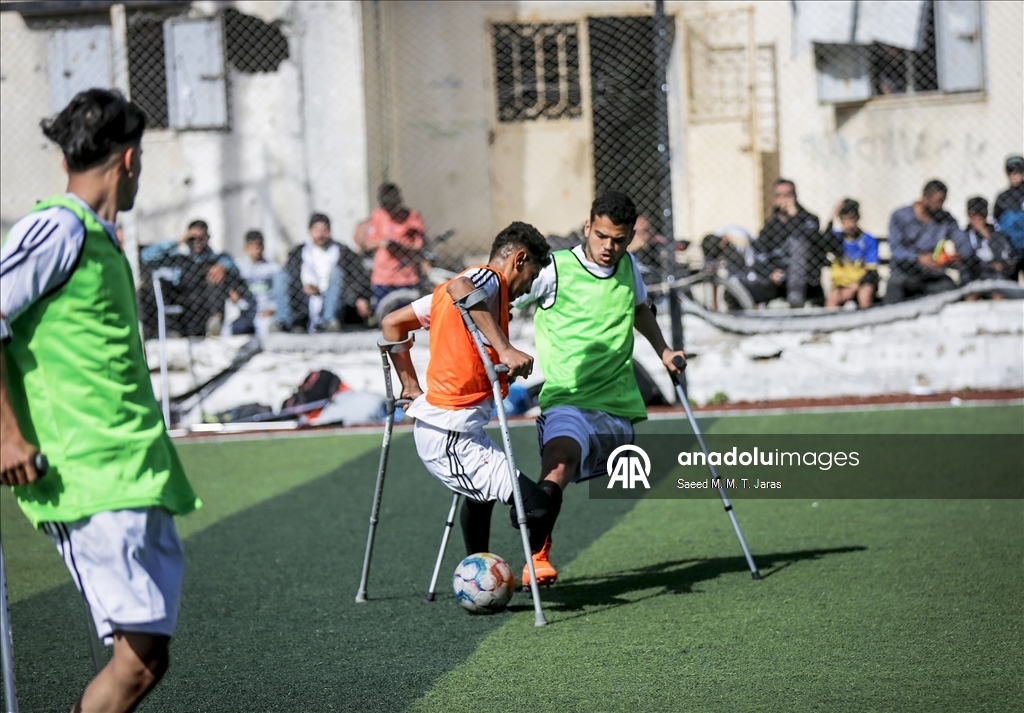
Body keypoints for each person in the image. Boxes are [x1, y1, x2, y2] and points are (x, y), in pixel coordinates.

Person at [0, 89, 200, 713]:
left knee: (147, 656)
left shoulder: (98, 235)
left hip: (131, 469)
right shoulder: (55, 227)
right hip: (83, 473)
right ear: (132, 160)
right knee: (138, 660)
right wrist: (7, 436)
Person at [512, 191, 686, 586]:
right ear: (588, 227)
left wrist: (664, 351)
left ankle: (536, 531)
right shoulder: (554, 268)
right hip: (566, 398)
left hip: (616, 404)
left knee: (571, 464)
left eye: (620, 240)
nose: (610, 247)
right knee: (560, 458)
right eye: (603, 236)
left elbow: (640, 308)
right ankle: (536, 555)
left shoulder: (630, 268)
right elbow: (505, 300)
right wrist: (502, 350)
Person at [380, 222, 557, 559]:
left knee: (481, 497)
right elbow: (463, 285)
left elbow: (392, 323)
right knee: (538, 509)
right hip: (449, 436)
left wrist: (410, 384)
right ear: (519, 260)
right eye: (532, 276)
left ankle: (478, 566)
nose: (526, 289)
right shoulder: (489, 278)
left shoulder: (443, 293)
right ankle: (494, 573)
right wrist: (504, 349)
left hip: (461, 430)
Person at [140, 219, 243, 337]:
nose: (196, 242)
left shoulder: (219, 259)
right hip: (185, 306)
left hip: (208, 306)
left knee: (216, 276)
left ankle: (215, 321)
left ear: (208, 237)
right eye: (192, 238)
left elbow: (235, 269)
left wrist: (223, 267)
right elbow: (147, 257)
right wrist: (179, 240)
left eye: (201, 238)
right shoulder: (179, 259)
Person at [276, 213, 368, 333]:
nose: (320, 235)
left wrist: (359, 297)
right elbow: (291, 275)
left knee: (336, 272)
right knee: (281, 276)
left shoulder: (343, 252)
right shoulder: (298, 253)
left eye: (324, 230)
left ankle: (329, 321)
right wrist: (304, 287)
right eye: (317, 230)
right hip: (304, 300)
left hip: (336, 299)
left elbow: (359, 277)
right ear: (310, 231)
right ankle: (283, 322)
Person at [884, 180, 972, 304]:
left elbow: (964, 244)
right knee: (894, 290)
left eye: (942, 202)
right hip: (904, 274)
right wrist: (918, 258)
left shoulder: (945, 219)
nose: (940, 206)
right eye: (937, 201)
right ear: (925, 198)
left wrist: (959, 256)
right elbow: (896, 249)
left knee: (951, 291)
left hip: (932, 275)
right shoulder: (900, 216)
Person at [746, 179, 824, 307]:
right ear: (774, 200)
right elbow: (760, 254)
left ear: (795, 197)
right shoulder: (770, 227)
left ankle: (795, 297)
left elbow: (815, 242)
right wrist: (771, 272)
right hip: (778, 283)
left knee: (800, 244)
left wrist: (795, 217)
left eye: (788, 195)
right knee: (739, 289)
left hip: (806, 283)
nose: (784, 200)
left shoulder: (809, 220)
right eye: (779, 196)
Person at [354, 183, 427, 311]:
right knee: (384, 317)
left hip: (406, 275)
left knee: (408, 316)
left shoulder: (412, 217)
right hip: (383, 276)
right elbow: (368, 243)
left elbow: (419, 244)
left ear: (400, 201)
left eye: (394, 208)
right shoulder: (378, 216)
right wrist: (382, 243)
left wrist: (403, 245)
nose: (392, 213)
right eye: (388, 209)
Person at [824, 199, 879, 310]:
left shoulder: (868, 240)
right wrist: (833, 213)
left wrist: (855, 286)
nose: (848, 224)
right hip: (841, 283)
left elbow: (871, 270)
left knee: (865, 294)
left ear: (858, 219)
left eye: (851, 219)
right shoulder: (837, 239)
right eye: (844, 220)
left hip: (860, 282)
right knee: (832, 298)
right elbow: (823, 239)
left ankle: (866, 324)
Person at [227, 230, 279, 335]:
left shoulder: (273, 268)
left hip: (265, 311)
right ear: (245, 248)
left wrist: (273, 308)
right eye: (252, 246)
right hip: (244, 310)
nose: (256, 250)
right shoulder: (238, 267)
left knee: (267, 330)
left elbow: (279, 292)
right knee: (229, 330)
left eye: (259, 246)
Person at [962, 197, 1014, 301]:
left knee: (998, 296)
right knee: (971, 297)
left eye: (981, 215)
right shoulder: (963, 235)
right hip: (973, 276)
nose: (978, 219)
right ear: (968, 216)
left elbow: (1002, 257)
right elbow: (965, 258)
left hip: (993, 277)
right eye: (974, 216)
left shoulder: (997, 234)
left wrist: (987, 235)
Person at [993, 155, 1024, 278]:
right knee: (1009, 287)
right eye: (1011, 171)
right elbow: (996, 222)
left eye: (1018, 171)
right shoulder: (1003, 198)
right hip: (1010, 250)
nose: (1014, 175)